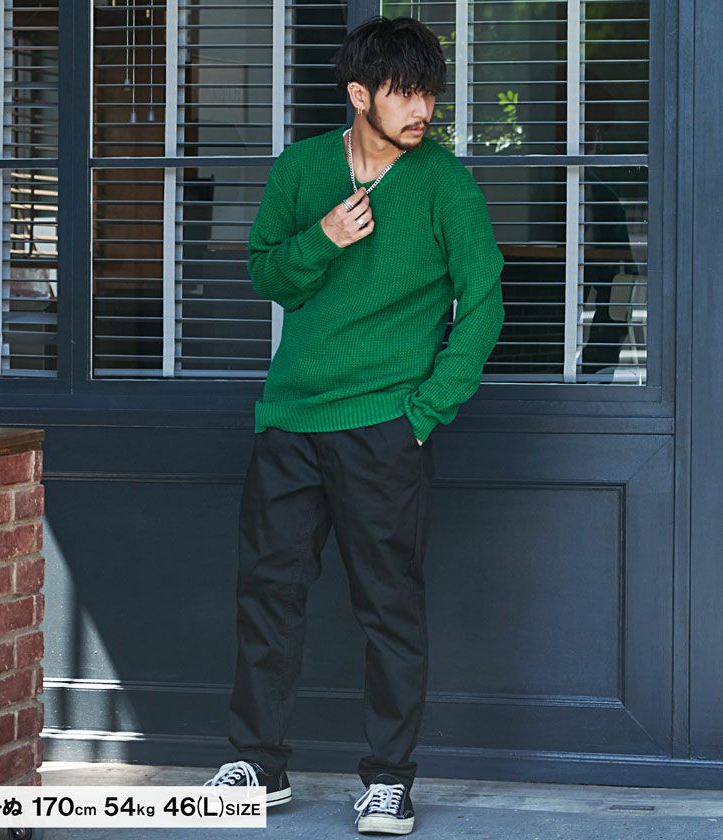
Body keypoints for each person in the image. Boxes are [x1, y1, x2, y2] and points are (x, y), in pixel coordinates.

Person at [203, 15, 505, 836]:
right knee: (269, 595)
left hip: (385, 428)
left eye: (429, 93)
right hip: (291, 420)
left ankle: (388, 780)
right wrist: (325, 238)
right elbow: (269, 274)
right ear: (360, 95)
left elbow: (483, 304)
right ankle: (257, 765)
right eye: (405, 93)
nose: (422, 109)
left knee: (389, 608)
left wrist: (424, 413)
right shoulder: (302, 169)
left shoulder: (445, 184)